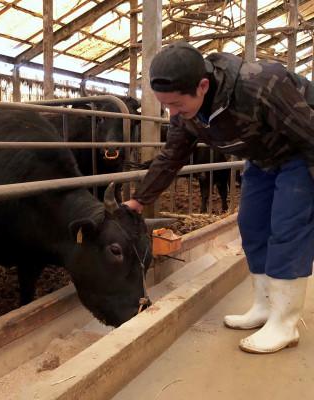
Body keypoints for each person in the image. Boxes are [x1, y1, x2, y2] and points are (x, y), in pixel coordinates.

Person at [123, 40, 314, 354]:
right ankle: (265, 307)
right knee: (252, 227)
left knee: (287, 229)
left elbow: (310, 136)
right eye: (166, 105)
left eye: (176, 104)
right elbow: (171, 157)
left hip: (300, 154)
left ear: (202, 86)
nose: (172, 113)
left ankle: (285, 323)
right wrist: (138, 201)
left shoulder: (260, 85)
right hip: (260, 158)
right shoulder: (187, 115)